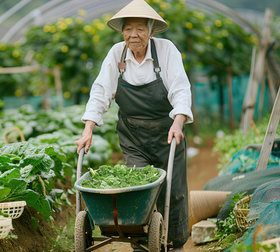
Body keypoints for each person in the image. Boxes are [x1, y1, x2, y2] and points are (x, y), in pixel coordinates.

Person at [75, 0, 193, 251]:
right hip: (133, 137)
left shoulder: (166, 50)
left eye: (140, 29)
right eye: (128, 29)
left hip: (167, 134)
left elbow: (180, 88)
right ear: (122, 32)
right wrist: (88, 129)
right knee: (137, 189)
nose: (133, 35)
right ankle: (141, 244)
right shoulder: (116, 54)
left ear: (151, 31)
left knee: (173, 191)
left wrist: (178, 122)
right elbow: (100, 92)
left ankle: (176, 243)